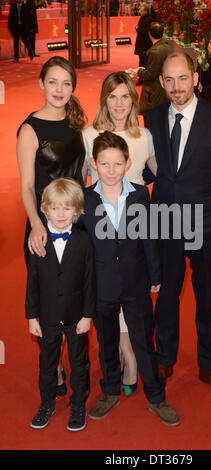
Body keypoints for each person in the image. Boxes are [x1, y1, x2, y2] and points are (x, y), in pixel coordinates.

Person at [147, 52, 211, 399]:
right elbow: (150, 168)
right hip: (165, 221)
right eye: (169, 80)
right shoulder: (153, 117)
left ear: (195, 78)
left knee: (208, 299)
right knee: (166, 297)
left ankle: (210, 366)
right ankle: (164, 359)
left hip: (206, 225)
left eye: (182, 78)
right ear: (161, 82)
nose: (176, 87)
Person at [82, 131, 179, 426]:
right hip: (101, 285)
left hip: (136, 282)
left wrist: (155, 274)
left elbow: (148, 237)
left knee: (143, 342)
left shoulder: (139, 193)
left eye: (117, 164)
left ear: (127, 162)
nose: (111, 171)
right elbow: (83, 248)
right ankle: (110, 391)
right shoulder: (84, 199)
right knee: (106, 341)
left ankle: (156, 396)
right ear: (93, 164)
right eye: (104, 164)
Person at [83, 71, 157, 396]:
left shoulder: (144, 136)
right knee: (110, 319)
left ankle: (134, 364)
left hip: (133, 219)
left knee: (135, 312)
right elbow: (81, 184)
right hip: (103, 226)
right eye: (112, 96)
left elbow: (156, 171)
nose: (118, 103)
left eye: (125, 96)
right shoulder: (89, 135)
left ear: (133, 99)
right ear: (104, 99)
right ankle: (127, 364)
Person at [17, 55, 87, 393]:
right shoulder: (30, 129)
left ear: (73, 87)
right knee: (49, 305)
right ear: (41, 83)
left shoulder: (76, 124)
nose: (60, 89)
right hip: (45, 226)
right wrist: (35, 223)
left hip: (78, 226)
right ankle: (55, 367)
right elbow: (28, 186)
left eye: (66, 83)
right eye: (53, 82)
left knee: (75, 298)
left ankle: (76, 366)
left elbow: (83, 176)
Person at [26, 178, 96, 431]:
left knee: (79, 363)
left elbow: (90, 282)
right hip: (46, 317)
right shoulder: (37, 241)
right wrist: (32, 317)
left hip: (76, 316)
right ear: (44, 210)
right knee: (47, 363)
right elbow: (32, 282)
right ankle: (47, 403)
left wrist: (88, 315)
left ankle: (78, 403)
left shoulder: (84, 242)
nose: (61, 214)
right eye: (54, 208)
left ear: (77, 211)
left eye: (67, 209)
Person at [130, 22, 172, 122]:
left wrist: (139, 71)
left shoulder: (155, 51)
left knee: (151, 122)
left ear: (149, 34)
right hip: (164, 90)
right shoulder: (168, 48)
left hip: (154, 92)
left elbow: (150, 74)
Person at [134, 3, 153, 84]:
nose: (140, 12)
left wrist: (138, 28)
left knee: (144, 62)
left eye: (141, 10)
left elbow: (146, 31)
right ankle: (141, 78)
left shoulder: (149, 19)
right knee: (141, 61)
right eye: (139, 10)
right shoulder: (142, 18)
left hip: (145, 44)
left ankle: (143, 79)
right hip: (141, 43)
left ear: (146, 11)